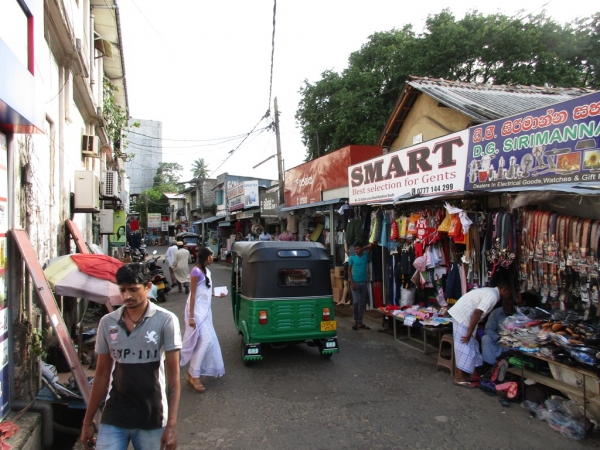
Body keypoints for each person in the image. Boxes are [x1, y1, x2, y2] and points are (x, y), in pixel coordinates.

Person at [79, 263, 181, 450]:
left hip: (152, 415)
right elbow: (101, 375)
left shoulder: (165, 320)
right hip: (115, 414)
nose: (126, 296)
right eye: (122, 290)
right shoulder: (108, 323)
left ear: (148, 287)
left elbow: (174, 378)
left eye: (133, 290)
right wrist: (87, 422)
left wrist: (172, 426)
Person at [448, 281, 513, 388]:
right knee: (464, 346)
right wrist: (469, 332)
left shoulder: (491, 293)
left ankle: (474, 374)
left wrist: (471, 332)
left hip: (464, 315)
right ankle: (458, 378)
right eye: (509, 293)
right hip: (463, 316)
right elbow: (477, 312)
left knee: (473, 344)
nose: (509, 296)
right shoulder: (492, 296)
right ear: (504, 290)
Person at [180, 247, 225, 392]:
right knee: (206, 340)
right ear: (206, 257)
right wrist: (191, 317)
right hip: (196, 311)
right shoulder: (195, 272)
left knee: (206, 340)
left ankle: (191, 374)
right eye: (211, 256)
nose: (213, 258)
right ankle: (195, 375)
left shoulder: (206, 271)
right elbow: (193, 295)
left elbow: (203, 291)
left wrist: (216, 294)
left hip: (205, 311)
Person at [481, 294, 515, 365]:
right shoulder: (495, 313)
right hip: (497, 340)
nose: (509, 306)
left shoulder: (517, 314)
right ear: (503, 303)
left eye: (512, 304)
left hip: (512, 342)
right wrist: (498, 338)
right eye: (507, 304)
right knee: (485, 338)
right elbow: (488, 329)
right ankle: (489, 365)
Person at [348, 241, 373, 330]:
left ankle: (360, 322)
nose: (356, 250)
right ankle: (355, 321)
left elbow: (371, 245)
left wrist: (363, 248)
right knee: (356, 302)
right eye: (355, 249)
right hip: (355, 282)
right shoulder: (352, 258)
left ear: (361, 248)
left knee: (362, 304)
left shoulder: (365, 255)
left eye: (358, 248)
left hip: (363, 282)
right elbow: (349, 271)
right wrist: (351, 282)